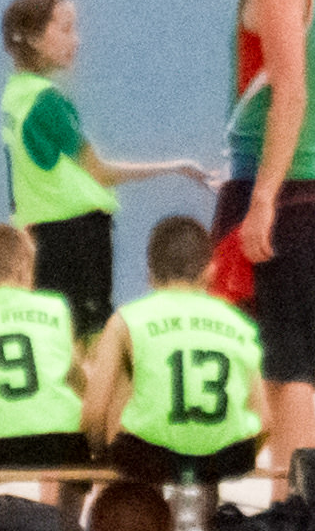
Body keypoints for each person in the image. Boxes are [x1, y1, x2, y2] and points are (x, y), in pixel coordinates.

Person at [192, 0, 315, 475]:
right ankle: (291, 507)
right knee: (285, 366)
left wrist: (262, 197)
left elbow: (292, 92)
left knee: (281, 366)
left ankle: (308, 508)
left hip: (274, 186)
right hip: (297, 178)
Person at [0, 0, 209, 345]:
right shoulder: (47, 100)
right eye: (65, 29)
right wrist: (175, 167)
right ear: (33, 37)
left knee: (55, 336)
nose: (76, 40)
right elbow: (99, 171)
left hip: (40, 231)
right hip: (77, 234)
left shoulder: (14, 95)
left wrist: (21, 223)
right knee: (90, 338)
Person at [81, 211, 266, 496]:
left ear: (150, 274)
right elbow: (265, 420)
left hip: (148, 457)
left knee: (124, 375)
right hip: (225, 459)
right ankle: (203, 506)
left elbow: (94, 412)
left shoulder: (127, 320)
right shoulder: (240, 324)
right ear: (210, 271)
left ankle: (134, 506)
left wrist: (101, 455)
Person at [0, 218, 95, 520]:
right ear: (23, 267)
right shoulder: (55, 307)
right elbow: (77, 380)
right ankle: (68, 528)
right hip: (58, 441)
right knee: (75, 436)